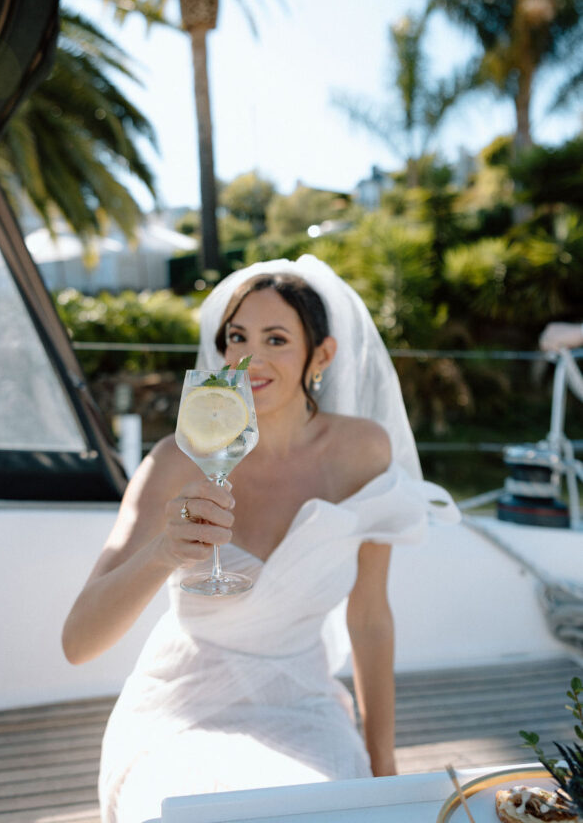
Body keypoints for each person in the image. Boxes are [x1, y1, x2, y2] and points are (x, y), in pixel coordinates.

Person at [62, 255, 459, 823]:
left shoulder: (364, 452)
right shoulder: (177, 461)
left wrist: (383, 766)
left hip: (305, 706)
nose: (250, 358)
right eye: (236, 337)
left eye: (276, 338)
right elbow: (78, 643)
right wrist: (164, 551)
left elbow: (369, 618)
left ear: (321, 356)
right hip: (182, 710)